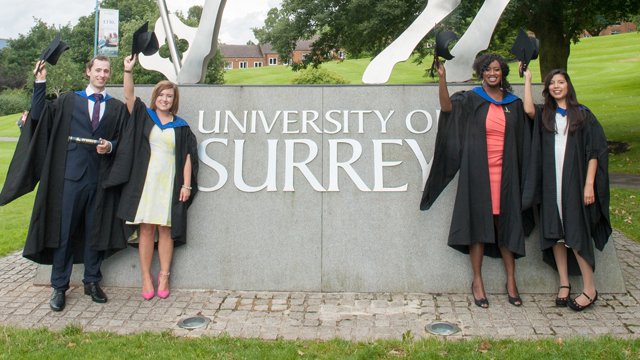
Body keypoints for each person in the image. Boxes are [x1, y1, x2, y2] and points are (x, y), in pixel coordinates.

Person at [0, 55, 129, 312]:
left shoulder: (115, 108)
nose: (102, 75)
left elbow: (122, 140)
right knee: (64, 232)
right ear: (88, 72)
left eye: (106, 71)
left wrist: (110, 146)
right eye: (98, 70)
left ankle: (91, 281)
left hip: (100, 180)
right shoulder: (69, 100)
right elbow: (38, 115)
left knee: (96, 230)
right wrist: (41, 82)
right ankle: (59, 286)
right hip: (70, 178)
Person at [421, 54, 533, 308]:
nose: (492, 73)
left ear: (502, 72)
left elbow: (528, 125)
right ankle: (478, 281)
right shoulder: (472, 99)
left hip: (506, 173)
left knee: (506, 223)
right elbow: (447, 108)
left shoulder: (513, 103)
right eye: (487, 70)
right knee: (478, 225)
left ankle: (511, 281)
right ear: (480, 73)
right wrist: (443, 79)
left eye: (496, 69)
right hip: (478, 171)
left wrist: (527, 79)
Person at [523, 67, 611, 311]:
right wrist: (528, 80)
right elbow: (528, 109)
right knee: (555, 233)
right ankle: (564, 284)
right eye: (552, 83)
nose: (556, 86)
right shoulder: (546, 115)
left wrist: (589, 184)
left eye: (560, 82)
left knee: (576, 232)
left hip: (575, 183)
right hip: (552, 183)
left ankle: (590, 288)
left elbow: (594, 152)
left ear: (568, 86)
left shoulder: (583, 115)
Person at [115, 54, 198, 300]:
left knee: (165, 230)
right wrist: (128, 72)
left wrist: (186, 185)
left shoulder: (181, 126)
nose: (165, 99)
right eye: (161, 95)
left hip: (169, 184)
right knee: (146, 230)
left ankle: (163, 275)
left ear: (174, 100)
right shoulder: (144, 116)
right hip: (146, 183)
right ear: (156, 97)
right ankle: (145, 278)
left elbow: (186, 157)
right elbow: (129, 97)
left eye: (169, 96)